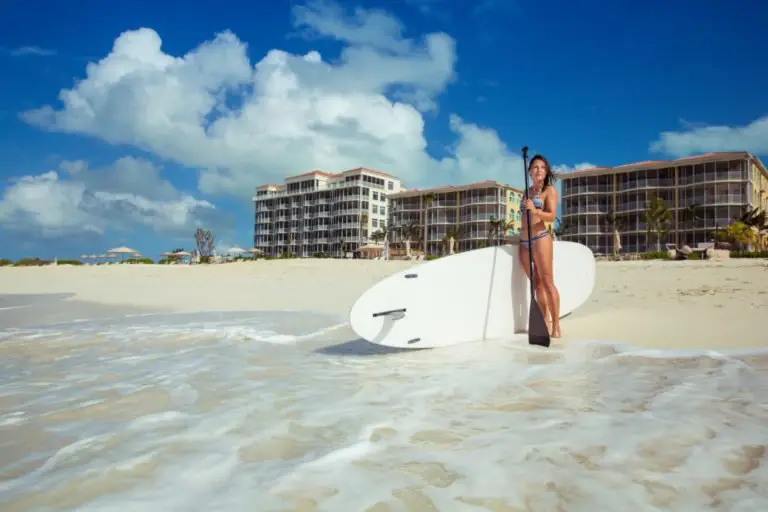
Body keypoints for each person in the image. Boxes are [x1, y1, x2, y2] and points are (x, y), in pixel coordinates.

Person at [519, 154, 561, 338]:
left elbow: (551, 216)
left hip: (540, 238)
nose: (539, 170)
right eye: (535, 167)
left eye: (542, 167)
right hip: (524, 241)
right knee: (536, 284)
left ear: (546, 172)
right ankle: (545, 320)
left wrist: (535, 211)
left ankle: (556, 326)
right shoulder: (526, 192)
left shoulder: (549, 190)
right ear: (530, 171)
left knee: (547, 282)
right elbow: (523, 216)